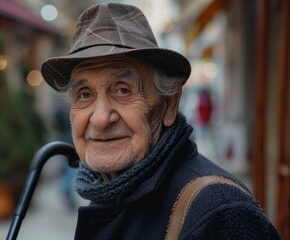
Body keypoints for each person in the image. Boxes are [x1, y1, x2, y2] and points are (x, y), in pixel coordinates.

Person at [41, 3, 282, 240]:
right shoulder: (110, 190)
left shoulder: (222, 213)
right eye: (85, 94)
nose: (101, 118)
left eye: (123, 90)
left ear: (168, 105)